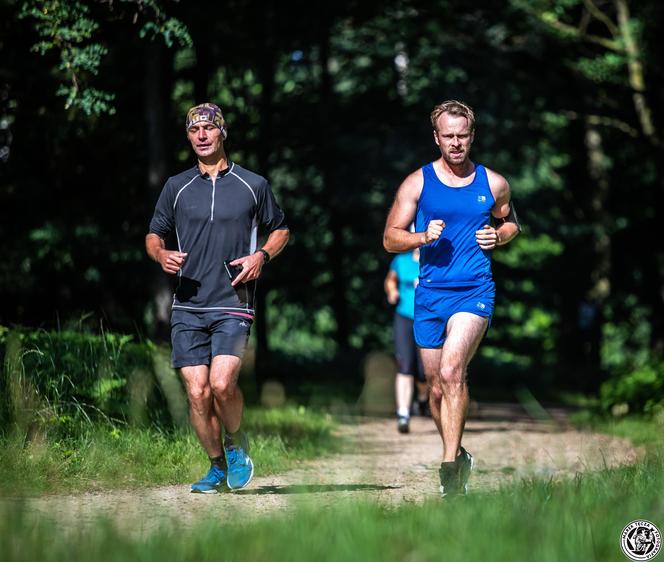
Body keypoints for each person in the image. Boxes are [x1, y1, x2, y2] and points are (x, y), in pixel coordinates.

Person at [146, 103, 289, 493]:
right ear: (189, 137)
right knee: (197, 392)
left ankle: (236, 441)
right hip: (188, 304)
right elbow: (154, 234)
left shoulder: (252, 184)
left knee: (223, 385)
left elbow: (280, 231)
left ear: (222, 132)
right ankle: (216, 466)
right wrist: (160, 254)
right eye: (195, 131)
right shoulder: (176, 187)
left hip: (232, 300)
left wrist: (262, 256)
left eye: (209, 128)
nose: (202, 136)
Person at [383, 100, 520, 497]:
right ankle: (459, 454)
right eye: (449, 136)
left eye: (463, 136)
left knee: (452, 371)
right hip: (428, 296)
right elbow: (390, 237)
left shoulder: (492, 183)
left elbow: (509, 220)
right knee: (435, 388)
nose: (456, 143)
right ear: (436, 138)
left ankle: (449, 474)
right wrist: (421, 236)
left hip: (474, 292)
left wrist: (500, 235)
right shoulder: (417, 183)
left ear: (472, 136)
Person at [384, 248, 428, 434]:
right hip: (404, 317)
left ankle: (423, 399)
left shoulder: (435, 258)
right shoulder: (401, 261)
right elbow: (390, 280)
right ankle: (403, 414)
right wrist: (392, 291)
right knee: (405, 365)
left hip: (428, 318)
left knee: (423, 371)